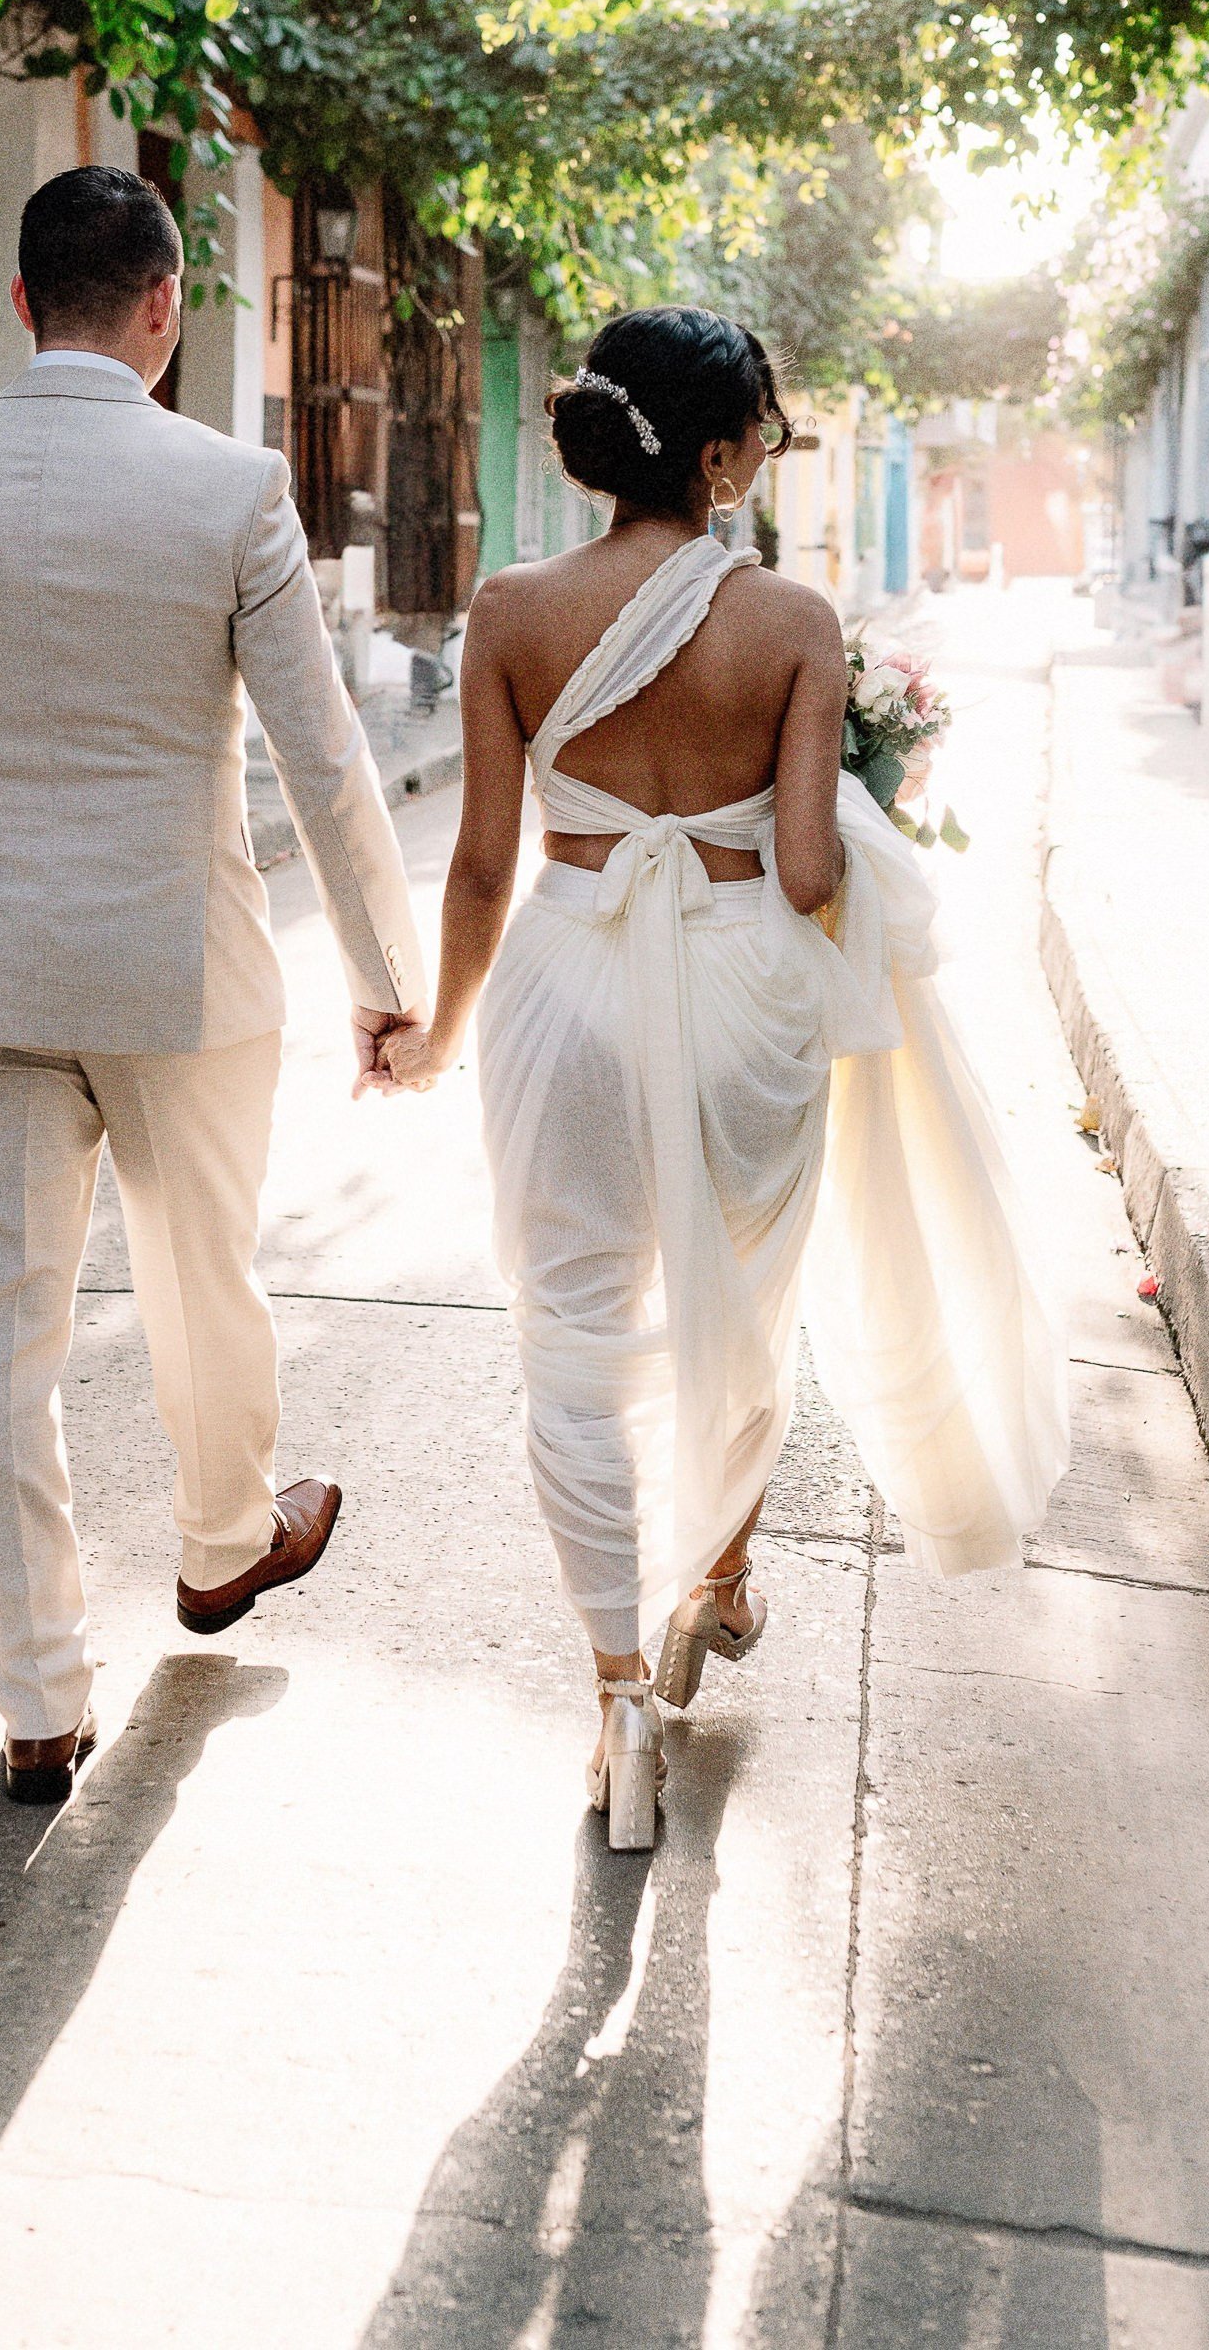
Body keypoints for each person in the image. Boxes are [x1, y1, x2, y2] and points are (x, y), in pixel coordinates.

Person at [380, 308, 1067, 1850]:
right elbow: (812, 867)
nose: (767, 452)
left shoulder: (508, 609)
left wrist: (437, 1029)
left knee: (566, 1330)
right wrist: (838, 842)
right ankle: (719, 1574)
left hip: (562, 981)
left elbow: (484, 866)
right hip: (747, 993)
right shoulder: (795, 625)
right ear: (710, 452)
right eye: (759, 427)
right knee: (741, 1313)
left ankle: (620, 1691)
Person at [0, 163, 426, 1805]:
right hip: (185, 973)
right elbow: (323, 756)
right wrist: (391, 981)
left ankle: (35, 1698)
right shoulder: (230, 490)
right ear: (166, 305)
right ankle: (228, 1544)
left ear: (21, 304)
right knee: (202, 1273)